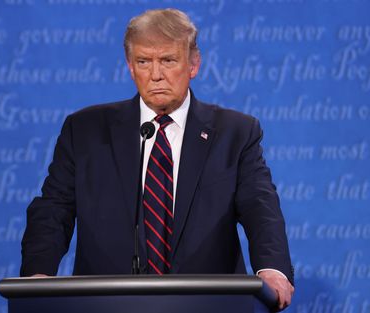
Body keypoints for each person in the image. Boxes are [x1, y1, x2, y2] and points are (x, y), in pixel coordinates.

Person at [20, 8, 294, 310]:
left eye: (167, 60)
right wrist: (38, 273)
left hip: (208, 304)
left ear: (193, 65)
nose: (155, 74)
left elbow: (261, 208)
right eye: (143, 62)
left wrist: (272, 269)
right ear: (129, 66)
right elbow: (53, 209)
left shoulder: (234, 133)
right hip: (107, 305)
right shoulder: (85, 130)